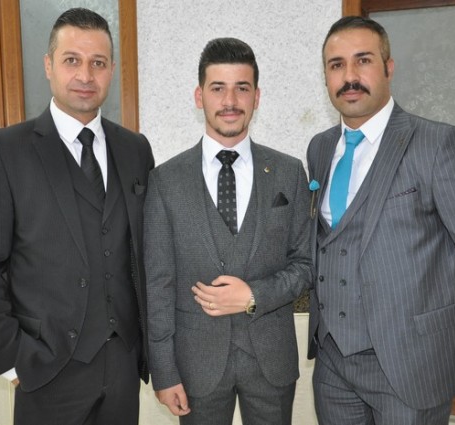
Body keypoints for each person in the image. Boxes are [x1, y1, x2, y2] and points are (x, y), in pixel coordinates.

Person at [306, 15, 455, 425]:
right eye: (336, 65)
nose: (349, 77)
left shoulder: (438, 144)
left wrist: (421, 302)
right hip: (333, 364)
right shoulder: (320, 148)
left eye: (363, 60)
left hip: (409, 363)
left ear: (388, 67)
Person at [0, 8, 154, 425]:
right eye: (72, 60)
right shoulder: (2, 151)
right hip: (44, 370)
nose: (85, 75)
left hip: (123, 367)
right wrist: (12, 360)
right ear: (48, 66)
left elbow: (143, 252)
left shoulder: (135, 149)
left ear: (112, 70)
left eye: (97, 63)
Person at [144, 37, 312, 425]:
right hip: (196, 366)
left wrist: (253, 295)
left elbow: (305, 264)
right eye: (218, 88)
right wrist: (164, 371)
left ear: (257, 96)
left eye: (242, 88)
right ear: (199, 96)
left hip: (271, 361)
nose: (230, 101)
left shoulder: (289, 172)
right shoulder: (165, 181)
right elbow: (158, 283)